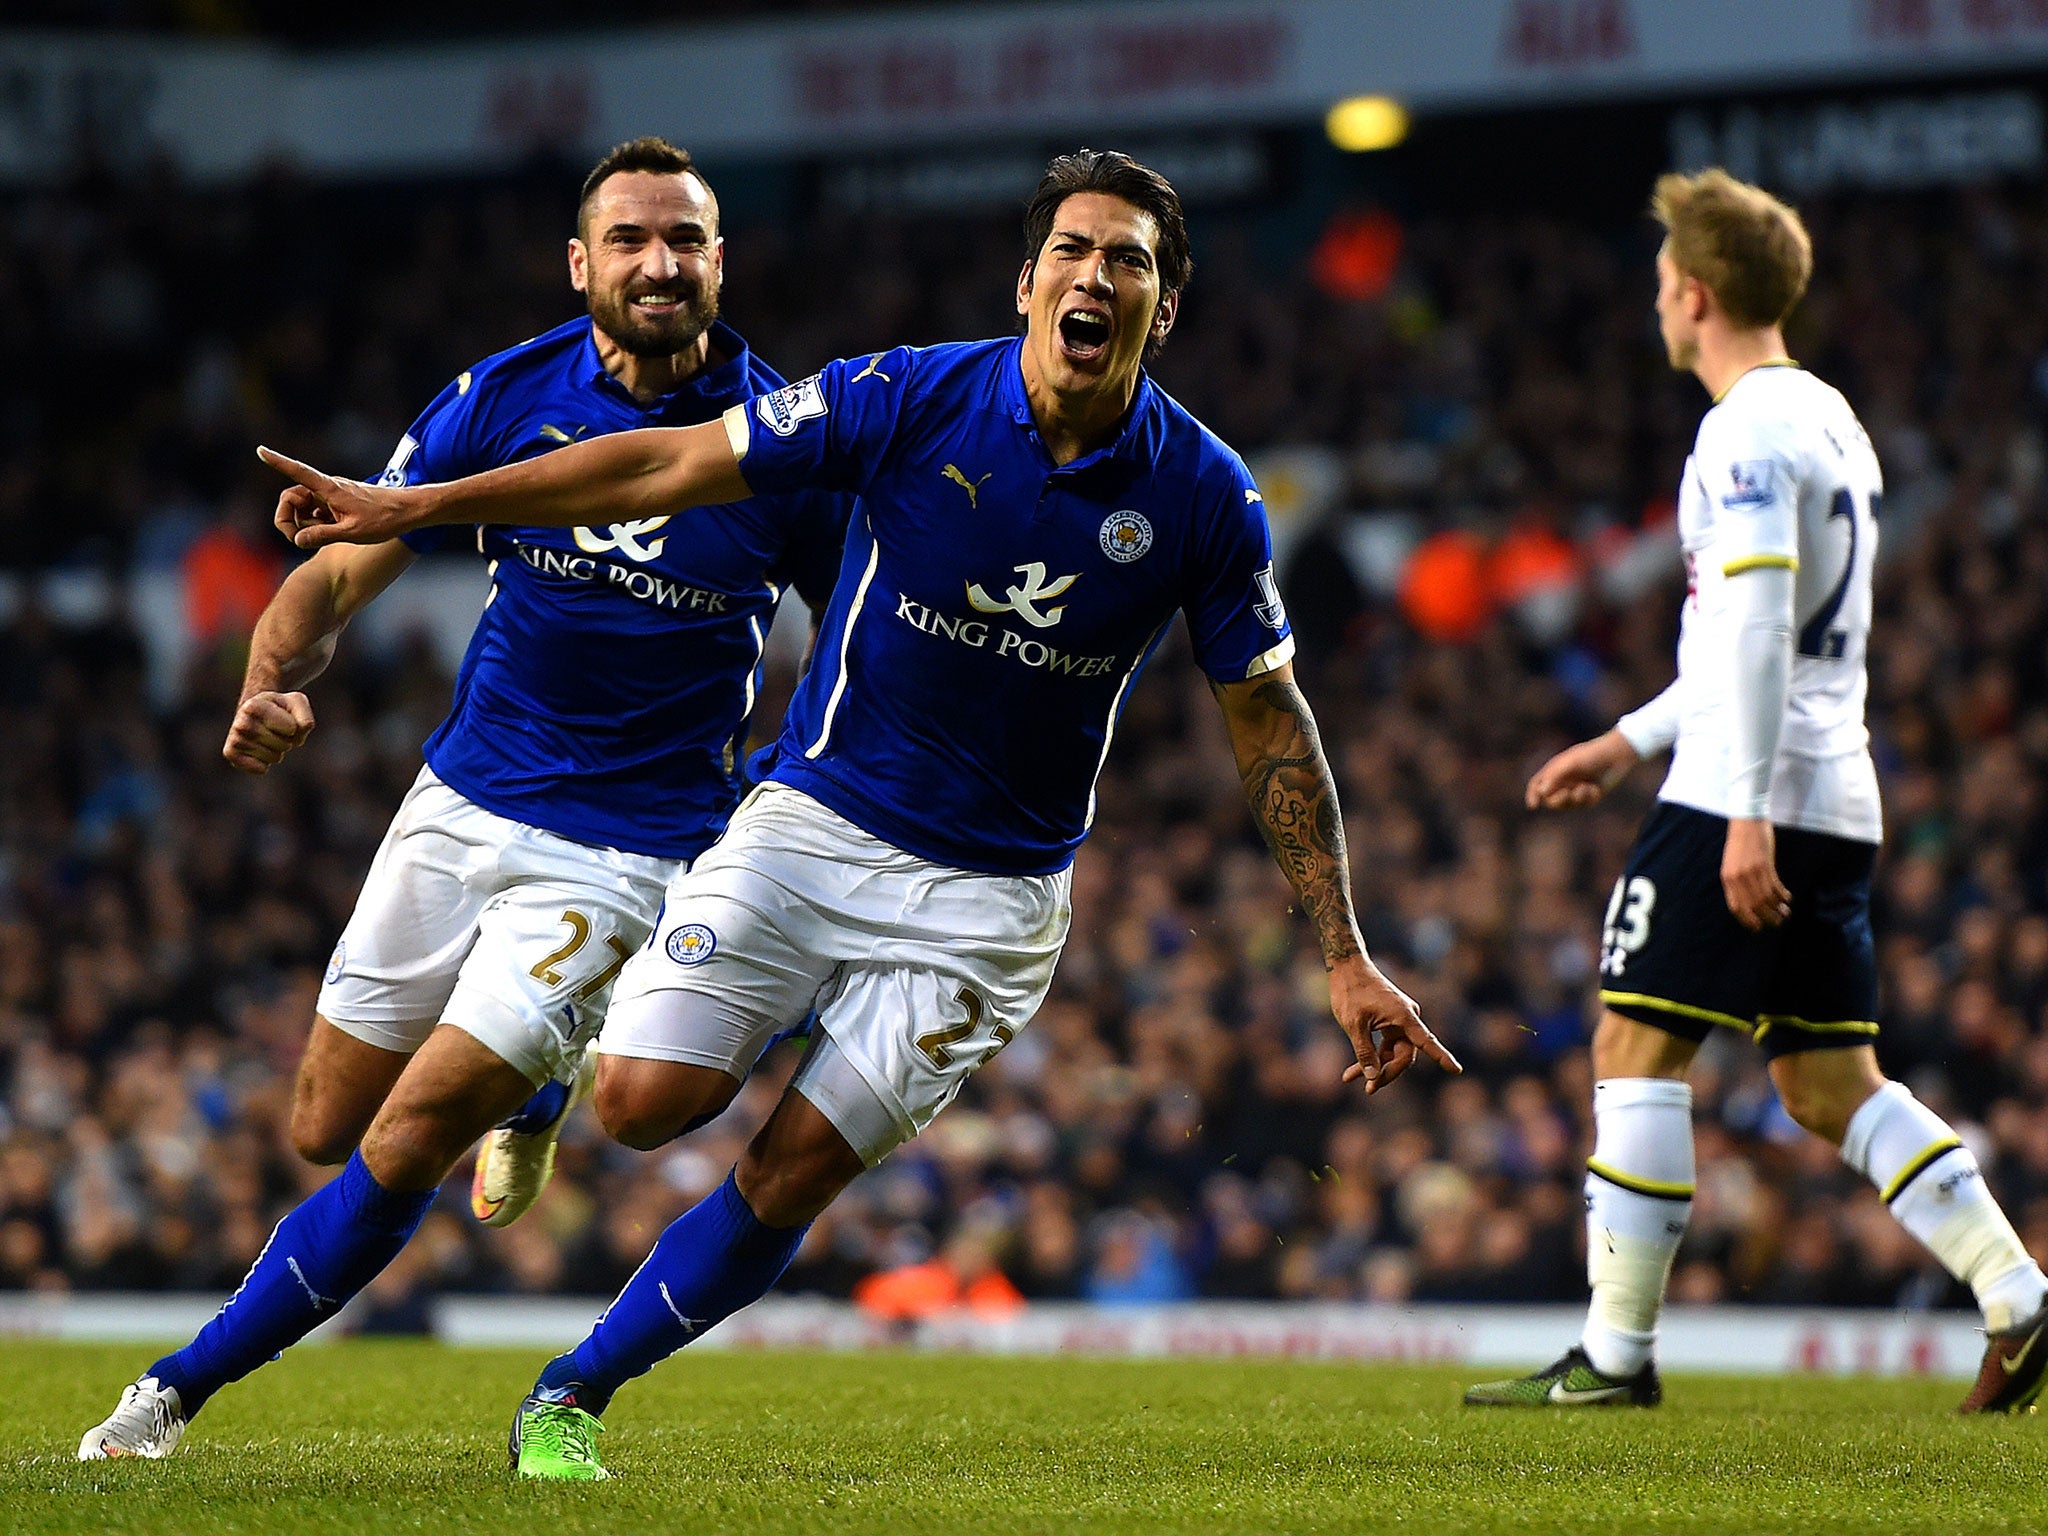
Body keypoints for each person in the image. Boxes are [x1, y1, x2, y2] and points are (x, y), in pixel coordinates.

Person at [259, 147, 1461, 1480]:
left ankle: (574, 1392)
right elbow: (660, 468)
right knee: (637, 1107)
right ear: (1026, 283)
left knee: (790, 1175)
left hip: (989, 899)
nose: (1097, 277)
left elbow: (1266, 724)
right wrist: (424, 506)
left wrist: (1342, 950)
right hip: (816, 824)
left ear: (1162, 308)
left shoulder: (1203, 496)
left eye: (1130, 262)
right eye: (1073, 250)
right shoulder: (904, 396)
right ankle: (552, 1065)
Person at [77, 137, 847, 1461]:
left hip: (626, 852)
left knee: (409, 1132)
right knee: (321, 1125)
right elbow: (338, 569)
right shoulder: (501, 396)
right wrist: (268, 674)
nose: (661, 264)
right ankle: (534, 1097)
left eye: (687, 240)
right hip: (461, 802)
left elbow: (859, 647)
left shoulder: (781, 443)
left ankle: (168, 1394)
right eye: (632, 240)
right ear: (582, 264)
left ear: (721, 259)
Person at [1463, 169, 2048, 1414]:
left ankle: (1614, 1359)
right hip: (1836, 795)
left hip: (1753, 794)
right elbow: (1751, 635)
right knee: (1829, 1083)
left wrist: (1733, 808)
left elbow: (1761, 629)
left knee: (1630, 1044)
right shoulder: (1831, 422)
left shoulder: (1736, 432)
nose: (1655, 304)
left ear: (1693, 291)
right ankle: (2018, 1296)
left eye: (1660, 282)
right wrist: (1624, 740)